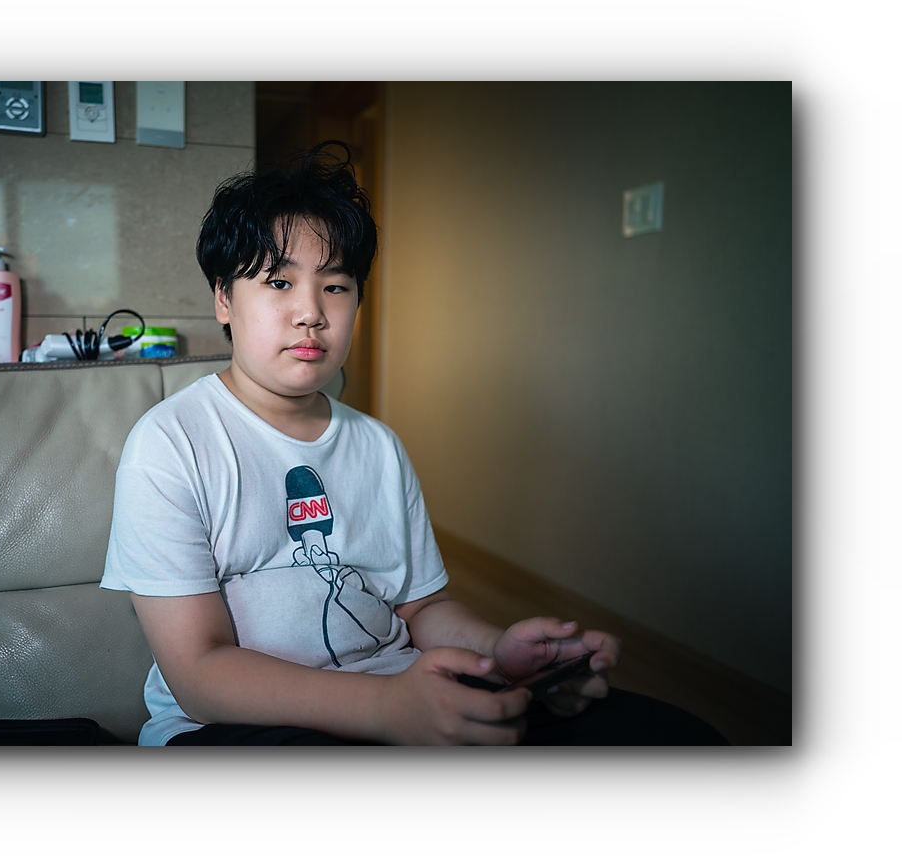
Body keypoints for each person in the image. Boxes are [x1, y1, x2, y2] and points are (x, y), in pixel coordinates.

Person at [100, 141, 726, 746]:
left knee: (673, 737)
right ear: (223, 299)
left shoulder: (378, 447)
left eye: (336, 286)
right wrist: (385, 708)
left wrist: (499, 654)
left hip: (401, 693)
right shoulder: (172, 444)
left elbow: (420, 610)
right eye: (279, 283)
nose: (311, 312)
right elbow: (199, 673)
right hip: (234, 729)